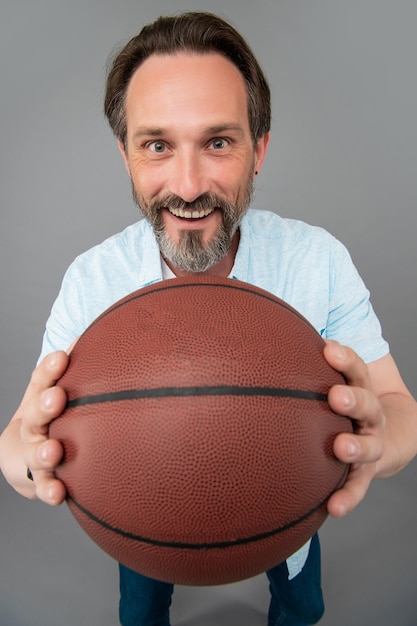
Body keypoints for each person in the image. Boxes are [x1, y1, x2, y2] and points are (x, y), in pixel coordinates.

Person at [1, 11, 416, 626]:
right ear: (126, 156)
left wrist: (378, 444)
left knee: (303, 611)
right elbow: (17, 444)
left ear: (259, 151)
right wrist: (26, 461)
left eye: (218, 142)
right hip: (139, 521)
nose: (188, 184)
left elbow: (399, 410)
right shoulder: (93, 281)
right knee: (139, 617)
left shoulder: (316, 259)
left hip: (291, 510)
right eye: (158, 145)